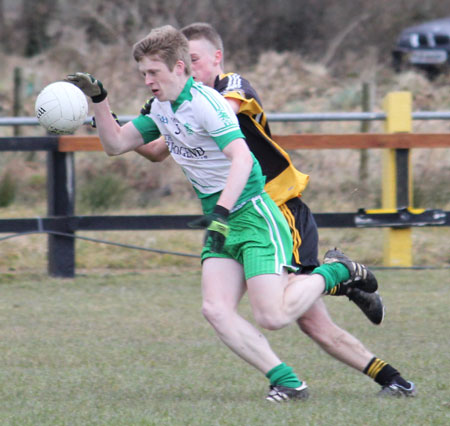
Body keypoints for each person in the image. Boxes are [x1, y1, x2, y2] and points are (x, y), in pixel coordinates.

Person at [65, 25, 393, 403]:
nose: (147, 81)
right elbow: (117, 144)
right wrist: (99, 101)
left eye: (153, 72)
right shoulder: (161, 108)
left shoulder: (208, 102)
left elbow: (242, 158)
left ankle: (338, 271)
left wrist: (221, 211)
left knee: (273, 316)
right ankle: (287, 382)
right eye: (142, 74)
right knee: (215, 309)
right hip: (221, 218)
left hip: (253, 213)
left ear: (178, 68)